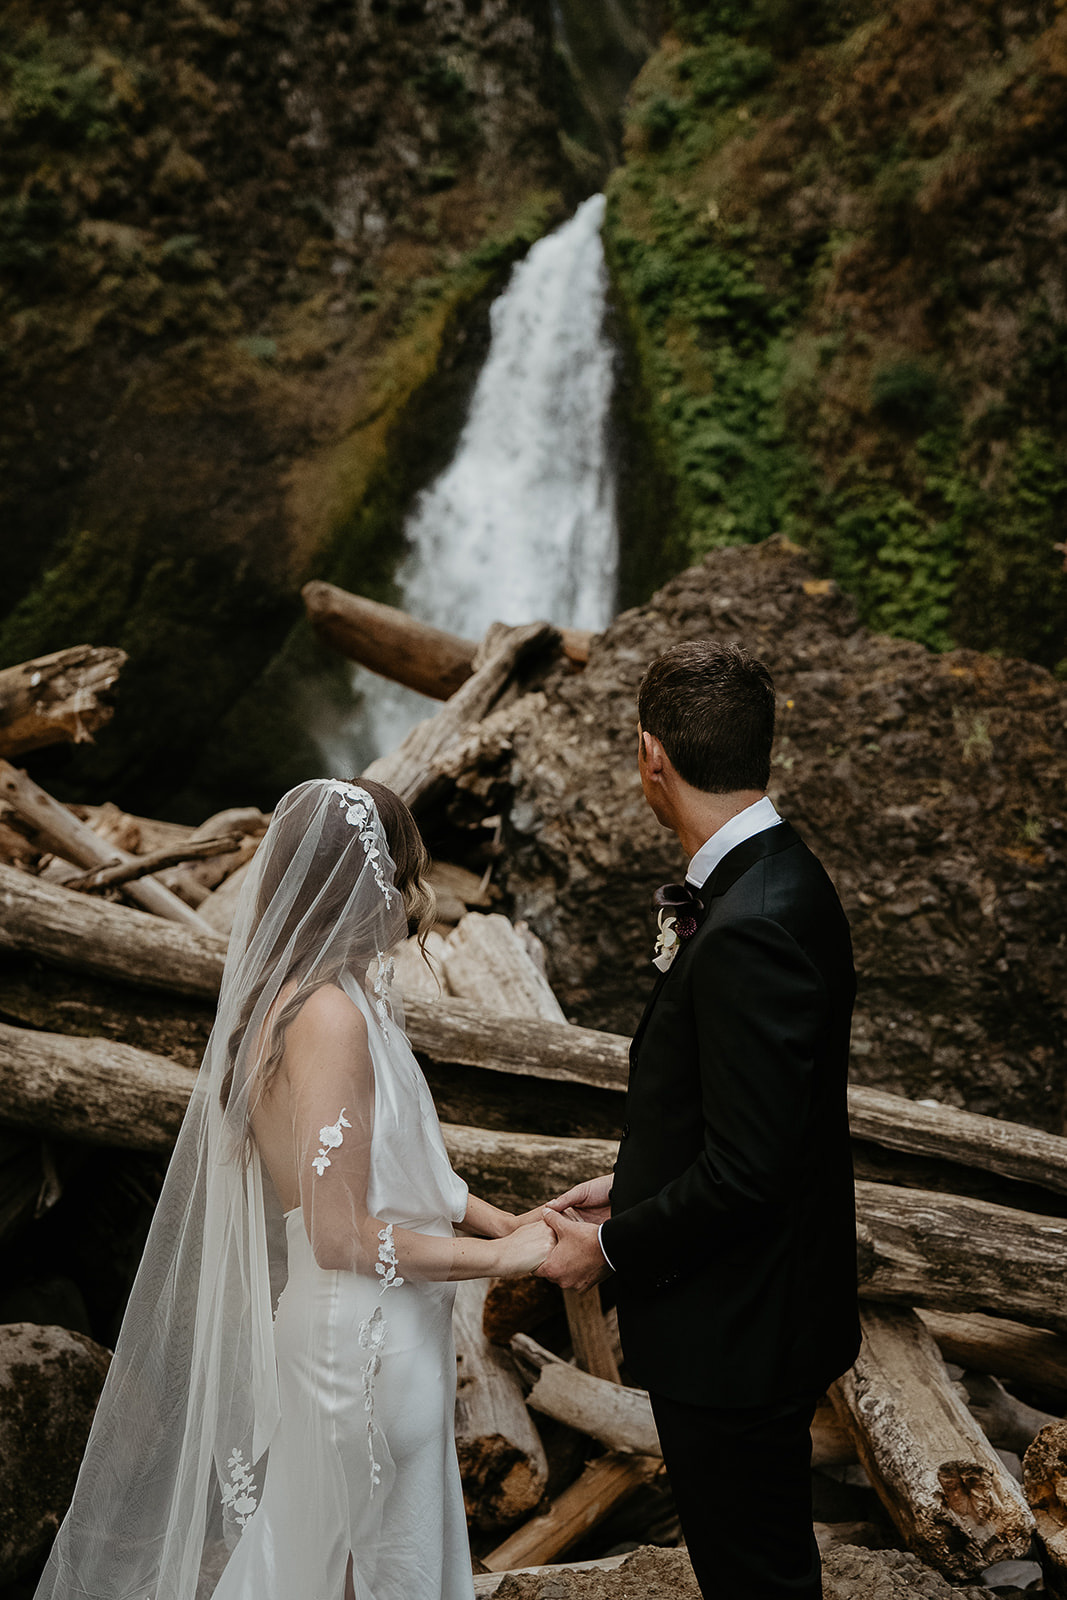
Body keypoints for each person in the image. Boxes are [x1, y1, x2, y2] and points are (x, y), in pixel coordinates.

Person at [34, 777, 552, 1600]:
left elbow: (404, 1168)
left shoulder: (329, 1002)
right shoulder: (327, 1020)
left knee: (346, 1563)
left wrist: (502, 1219)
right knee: (349, 1575)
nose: (416, 898)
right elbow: (338, 1235)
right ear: (363, 881)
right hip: (362, 1347)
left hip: (378, 1338)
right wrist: (508, 1261)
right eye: (404, 875)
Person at [538, 640, 860, 1600]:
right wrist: (632, 1183)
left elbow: (751, 1168)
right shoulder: (782, 876)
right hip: (765, 1306)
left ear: (651, 758)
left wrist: (614, 1246)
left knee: (750, 1575)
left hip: (738, 1332)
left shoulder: (749, 923)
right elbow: (765, 1118)